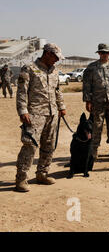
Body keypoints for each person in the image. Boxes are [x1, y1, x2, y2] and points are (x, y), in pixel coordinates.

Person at [15, 43, 67, 192]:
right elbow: (21, 92)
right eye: (56, 57)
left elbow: (57, 91)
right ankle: (21, 179)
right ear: (47, 54)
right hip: (34, 114)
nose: (57, 60)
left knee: (49, 145)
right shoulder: (29, 69)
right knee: (30, 145)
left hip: (52, 113)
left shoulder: (55, 71)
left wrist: (61, 106)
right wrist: (23, 111)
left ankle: (42, 173)